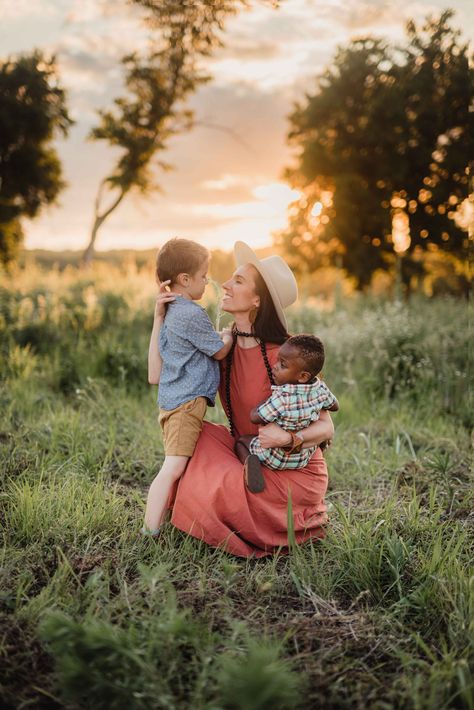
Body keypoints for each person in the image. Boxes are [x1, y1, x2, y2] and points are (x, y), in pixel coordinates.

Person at [148, 240, 334, 557]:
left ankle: (221, 509)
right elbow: (156, 374)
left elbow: (326, 428)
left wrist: (289, 436)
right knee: (195, 439)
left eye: (238, 280)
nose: (224, 284)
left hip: (288, 467)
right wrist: (160, 318)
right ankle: (209, 506)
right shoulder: (221, 345)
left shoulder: (287, 355)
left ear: (257, 300)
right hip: (247, 453)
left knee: (217, 483)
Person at [143, 238, 233, 536]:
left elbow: (157, 373)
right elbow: (219, 352)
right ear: (184, 279)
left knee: (179, 466)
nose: (207, 282)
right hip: (185, 405)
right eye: (203, 276)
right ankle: (149, 530)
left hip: (173, 401)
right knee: (173, 467)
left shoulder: (171, 312)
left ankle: (173, 518)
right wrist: (228, 336)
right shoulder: (191, 313)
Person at [234, 334, 339, 494]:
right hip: (303, 458)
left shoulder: (283, 398)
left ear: (303, 376)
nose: (275, 366)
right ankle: (318, 443)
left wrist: (263, 402)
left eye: (282, 365)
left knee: (242, 442)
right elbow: (334, 406)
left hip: (275, 456)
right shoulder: (321, 389)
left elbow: (255, 417)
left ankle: (250, 464)